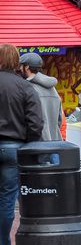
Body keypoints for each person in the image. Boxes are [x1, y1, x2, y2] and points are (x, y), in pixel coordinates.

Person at [0, 44, 44, 245]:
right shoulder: (25, 87)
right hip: (13, 148)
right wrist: (31, 147)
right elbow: (35, 123)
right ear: (17, 62)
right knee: (7, 199)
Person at [18, 53, 62, 141]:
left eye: (20, 66)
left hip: (37, 144)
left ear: (26, 67)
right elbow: (59, 120)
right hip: (54, 142)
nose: (19, 69)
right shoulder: (53, 89)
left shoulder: (28, 88)